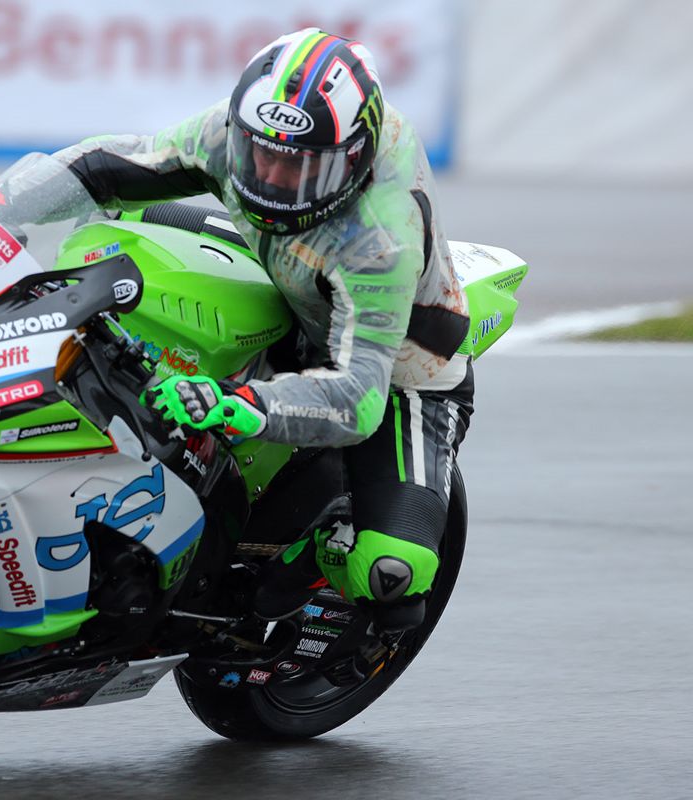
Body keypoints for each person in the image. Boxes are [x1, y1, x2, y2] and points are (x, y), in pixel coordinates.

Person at [51, 28, 474, 632]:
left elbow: (359, 399)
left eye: (301, 166)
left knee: (394, 576)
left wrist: (239, 405)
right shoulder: (233, 135)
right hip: (291, 280)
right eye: (262, 153)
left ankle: (315, 554)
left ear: (353, 158)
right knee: (119, 220)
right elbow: (99, 165)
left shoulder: (380, 238)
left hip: (400, 366)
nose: (274, 176)